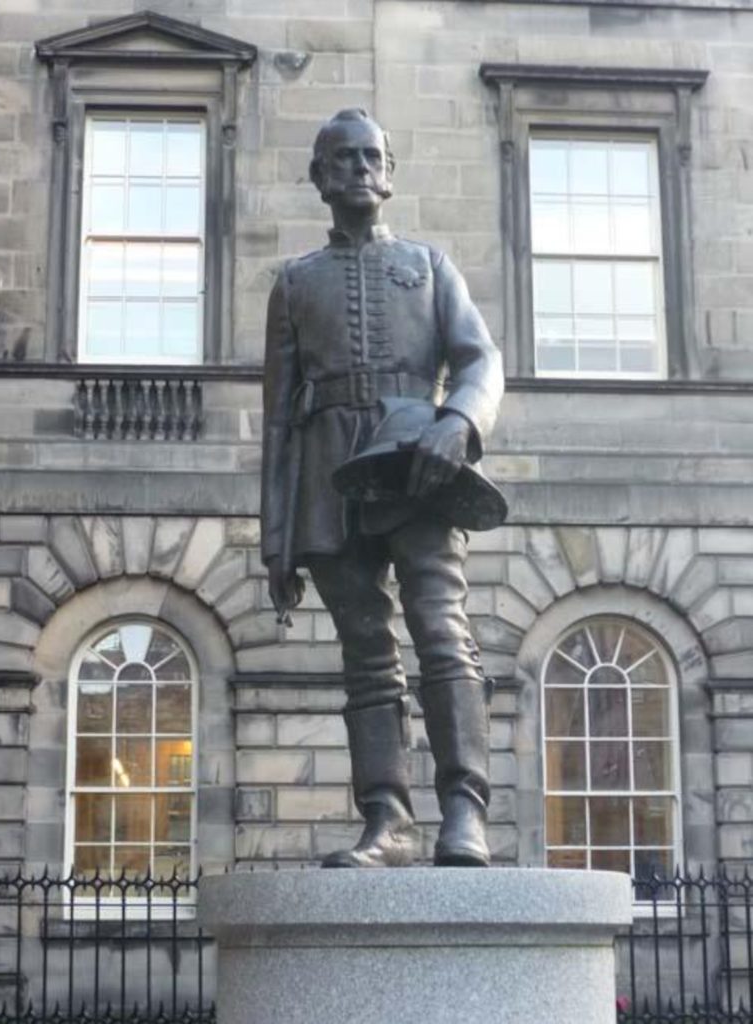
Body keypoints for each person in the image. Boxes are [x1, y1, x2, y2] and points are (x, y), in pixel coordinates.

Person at [261, 108, 504, 867]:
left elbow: (480, 361)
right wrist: (277, 541)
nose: (361, 168)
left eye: (373, 156)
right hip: (327, 479)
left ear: (389, 172)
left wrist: (458, 423)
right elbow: (274, 420)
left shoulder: (431, 267)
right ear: (320, 177)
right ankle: (387, 823)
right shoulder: (295, 282)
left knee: (442, 633)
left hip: (418, 466)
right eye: (345, 158)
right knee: (365, 649)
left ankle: (465, 811)